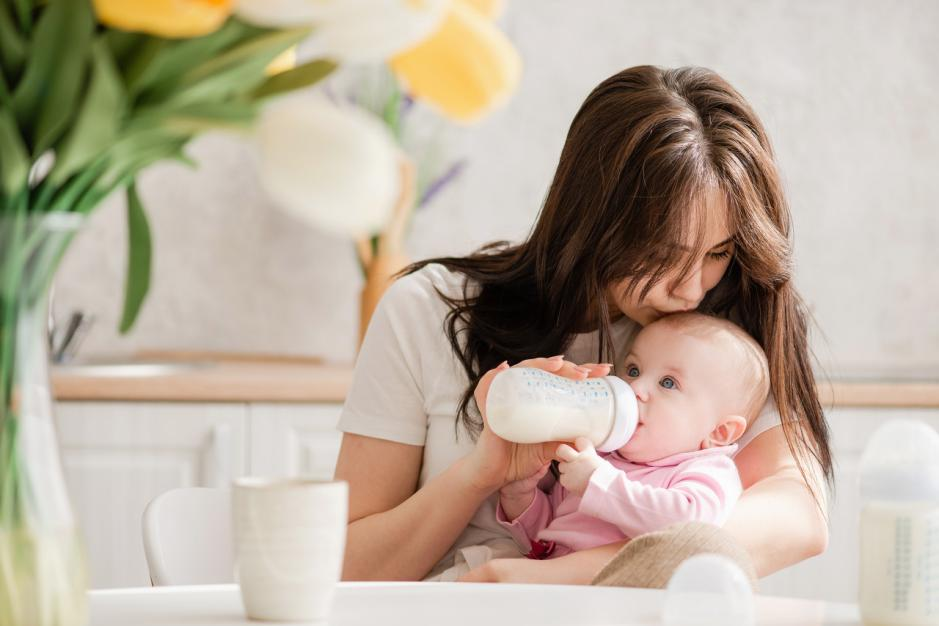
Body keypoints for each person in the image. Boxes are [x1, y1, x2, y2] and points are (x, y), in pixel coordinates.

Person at [334, 65, 831, 584]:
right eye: (664, 254)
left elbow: (798, 518)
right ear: (592, 220)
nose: (690, 290)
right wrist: (481, 474)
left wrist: (550, 580)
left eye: (719, 252)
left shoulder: (719, 342)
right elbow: (349, 569)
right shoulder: (428, 309)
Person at [494, 313, 768, 568]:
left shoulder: (706, 471)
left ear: (719, 432)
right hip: (549, 580)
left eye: (668, 383)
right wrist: (520, 497)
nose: (635, 387)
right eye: (634, 370)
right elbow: (548, 537)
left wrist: (598, 483)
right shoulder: (598, 457)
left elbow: (689, 529)